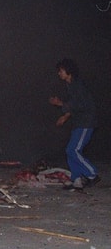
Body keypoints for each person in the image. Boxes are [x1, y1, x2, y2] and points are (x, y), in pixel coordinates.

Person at [48, 58, 100, 191]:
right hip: (78, 122)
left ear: (68, 71)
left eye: (61, 70)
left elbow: (81, 104)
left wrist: (60, 103)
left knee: (73, 150)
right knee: (70, 151)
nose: (59, 73)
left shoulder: (78, 85)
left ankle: (92, 174)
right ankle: (76, 180)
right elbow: (74, 106)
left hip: (86, 122)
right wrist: (65, 117)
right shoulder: (71, 85)